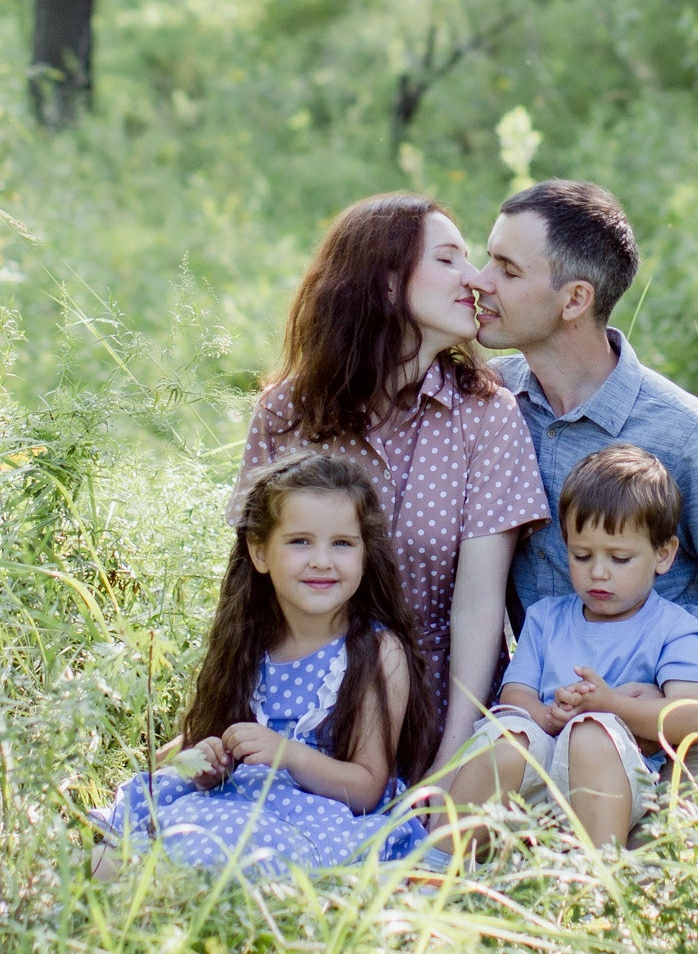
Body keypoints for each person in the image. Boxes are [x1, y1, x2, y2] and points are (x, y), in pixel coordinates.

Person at [230, 194, 549, 771]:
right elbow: (250, 591)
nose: (475, 278)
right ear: (383, 282)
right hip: (300, 719)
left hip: (443, 710)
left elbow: (479, 608)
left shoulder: (487, 415)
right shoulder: (287, 414)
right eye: (449, 259)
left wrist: (448, 762)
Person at [472, 178, 698, 728]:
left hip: (673, 715)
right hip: (543, 712)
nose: (479, 282)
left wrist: (685, 700)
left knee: (687, 814)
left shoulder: (684, 432)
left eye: (507, 269)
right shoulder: (487, 404)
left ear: (575, 298)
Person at [93, 450, 432, 876]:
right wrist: (210, 762)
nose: (322, 561)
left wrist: (286, 754)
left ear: (366, 554)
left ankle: (205, 895)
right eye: (300, 541)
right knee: (119, 855)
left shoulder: (376, 653)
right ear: (260, 553)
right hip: (231, 799)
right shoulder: (250, 640)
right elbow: (212, 737)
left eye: (342, 543)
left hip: (319, 818)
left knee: (220, 848)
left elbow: (367, 788)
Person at [433, 444, 698, 851]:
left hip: (612, 784)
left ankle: (594, 879)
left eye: (620, 558)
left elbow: (692, 716)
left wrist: (609, 705)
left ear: (663, 555)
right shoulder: (545, 618)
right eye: (582, 555)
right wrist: (550, 716)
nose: (598, 573)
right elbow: (515, 695)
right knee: (509, 737)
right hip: (534, 784)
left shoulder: (673, 627)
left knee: (590, 733)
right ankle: (436, 863)